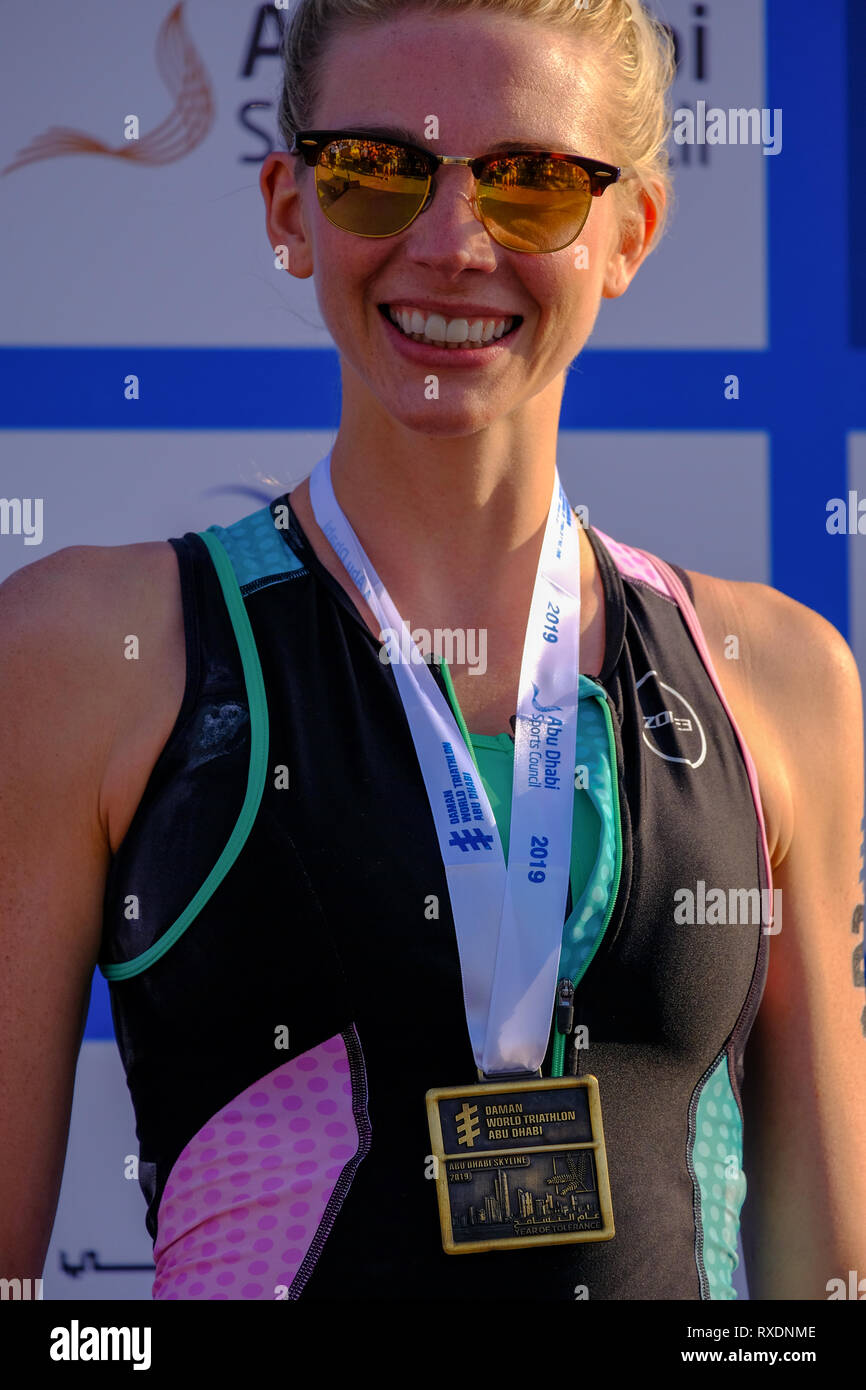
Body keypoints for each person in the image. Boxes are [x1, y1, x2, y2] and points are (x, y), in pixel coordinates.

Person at [1, 0, 864, 1302]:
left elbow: (824, 1283)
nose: (452, 242)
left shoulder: (777, 675)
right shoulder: (90, 652)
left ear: (625, 231)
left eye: (527, 184)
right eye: (377, 170)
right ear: (291, 207)